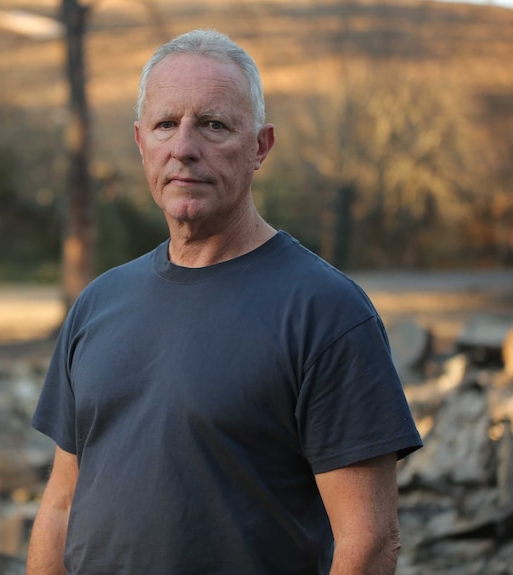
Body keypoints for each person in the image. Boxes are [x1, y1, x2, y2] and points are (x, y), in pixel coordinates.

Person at [26, 29, 422, 575]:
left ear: (261, 146)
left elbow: (370, 541)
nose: (184, 148)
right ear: (141, 142)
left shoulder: (327, 313)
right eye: (166, 125)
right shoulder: (99, 303)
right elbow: (60, 506)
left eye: (213, 125)